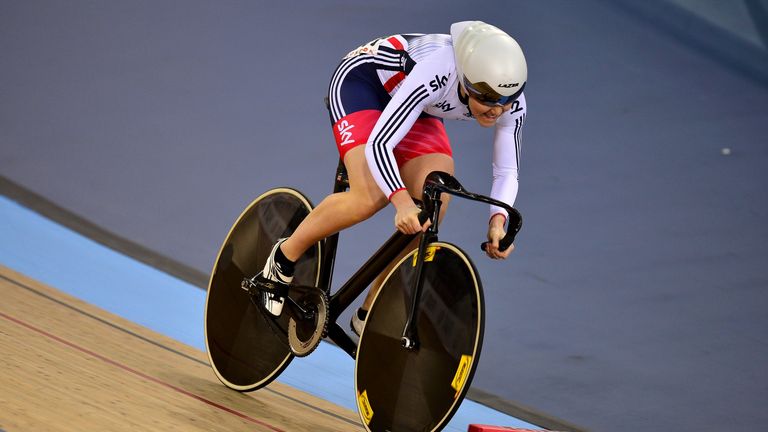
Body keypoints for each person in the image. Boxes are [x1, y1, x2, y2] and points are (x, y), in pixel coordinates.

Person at [259, 21, 528, 335]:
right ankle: (283, 258)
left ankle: (369, 311)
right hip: (364, 85)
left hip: (416, 104)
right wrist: (400, 202)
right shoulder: (437, 70)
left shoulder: (508, 96)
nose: (497, 110)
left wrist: (498, 221)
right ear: (466, 82)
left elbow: (507, 170)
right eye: (486, 99)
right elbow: (379, 144)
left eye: (504, 102)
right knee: (369, 195)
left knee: (434, 201)